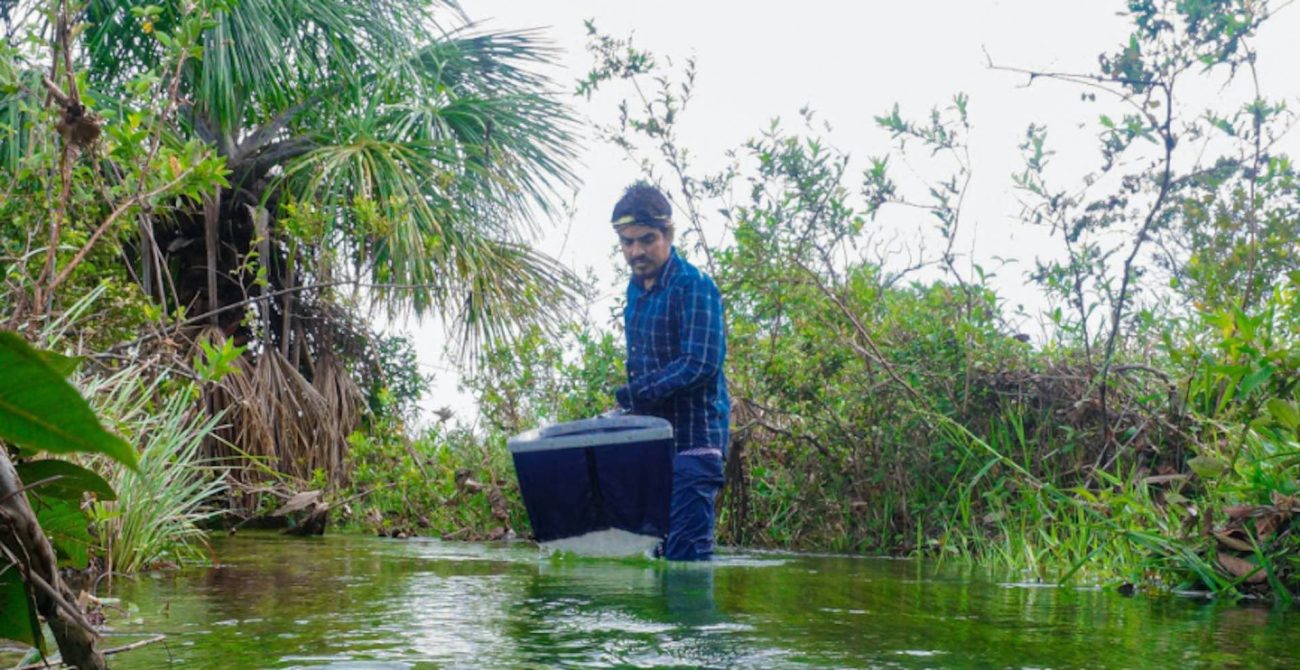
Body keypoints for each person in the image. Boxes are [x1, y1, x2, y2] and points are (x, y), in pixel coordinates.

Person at [610, 182, 730, 561]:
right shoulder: (635, 291)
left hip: (695, 446)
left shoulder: (693, 286)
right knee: (655, 559)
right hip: (653, 447)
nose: (636, 251)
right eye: (627, 243)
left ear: (668, 234)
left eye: (646, 239)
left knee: (687, 561)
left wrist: (637, 393)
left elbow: (701, 363)